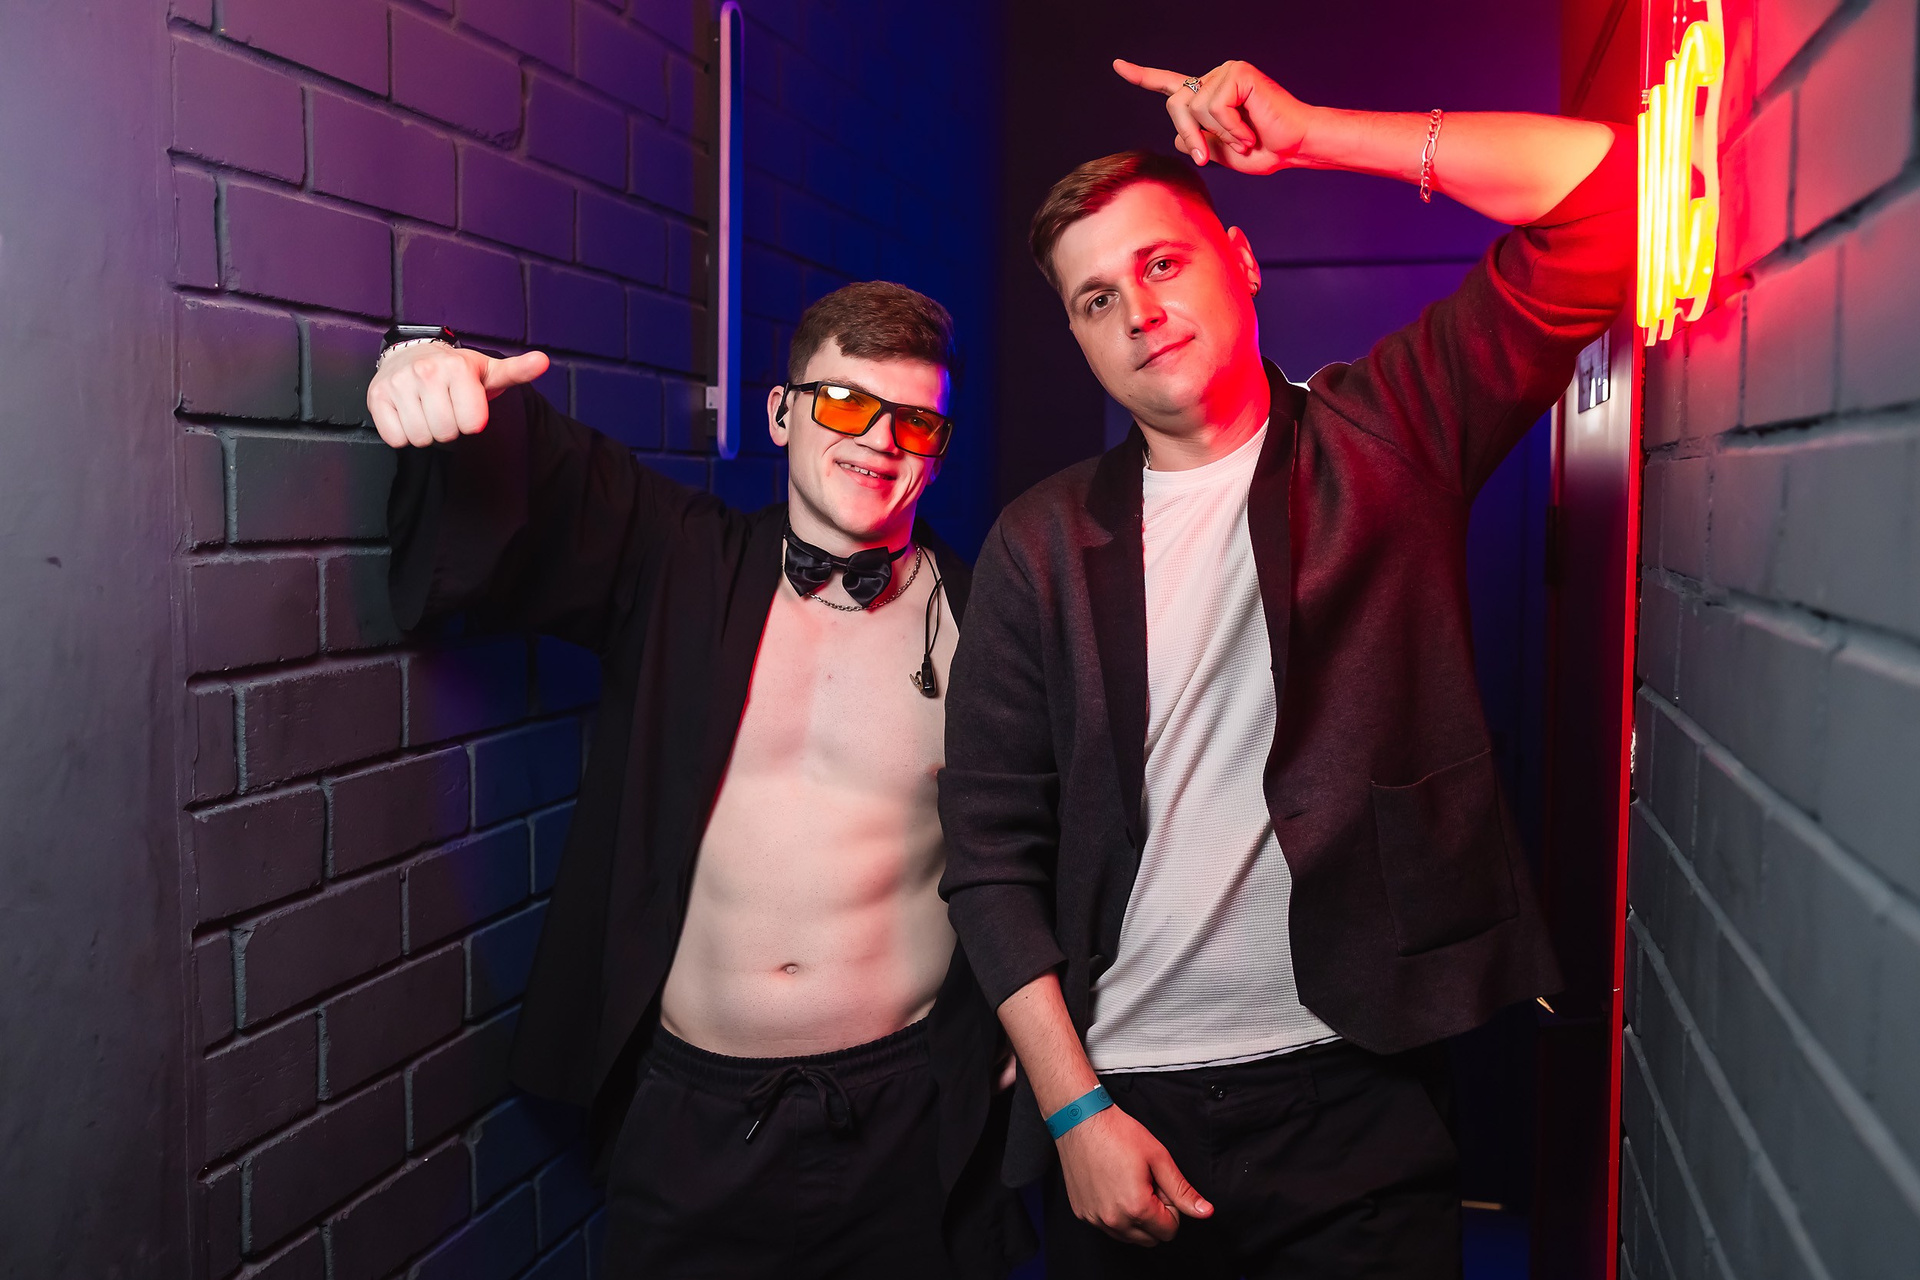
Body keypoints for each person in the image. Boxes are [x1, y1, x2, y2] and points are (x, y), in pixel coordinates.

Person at [937, 57, 1632, 1278]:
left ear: (1242, 260)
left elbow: (1604, 203)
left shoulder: (1383, 436)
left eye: (1162, 263)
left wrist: (1313, 134)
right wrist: (1072, 1107)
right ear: (1079, 336)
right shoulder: (1037, 542)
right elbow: (989, 854)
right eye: (1097, 298)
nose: (1139, 310)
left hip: (1356, 1095)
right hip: (1126, 1105)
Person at [370, 281, 1032, 1278]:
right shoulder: (677, 559)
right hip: (691, 1116)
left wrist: (1031, 1020)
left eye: (914, 421)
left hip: (910, 1115)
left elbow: (1058, 836)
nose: (878, 439)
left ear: (938, 448)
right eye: (844, 402)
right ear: (780, 412)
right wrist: (418, 358)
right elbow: (538, 469)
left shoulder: (990, 626)